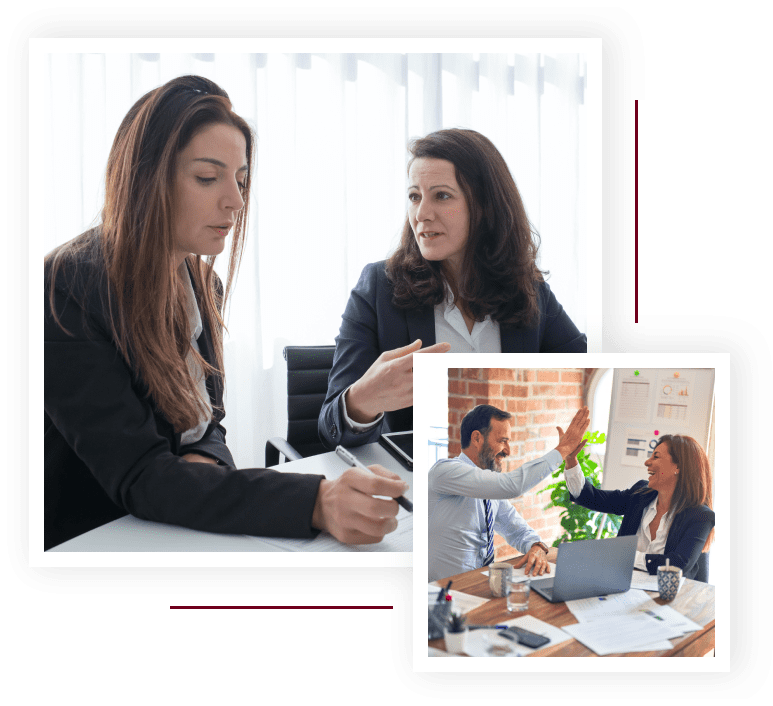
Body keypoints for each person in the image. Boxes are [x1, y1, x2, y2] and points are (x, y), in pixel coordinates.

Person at [43, 75, 407, 551]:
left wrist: (204, 463)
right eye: (207, 178)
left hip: (175, 528)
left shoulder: (200, 283)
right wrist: (315, 502)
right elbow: (140, 475)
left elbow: (206, 422)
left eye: (239, 180)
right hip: (96, 543)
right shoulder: (66, 285)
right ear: (145, 179)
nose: (235, 201)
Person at [319, 128, 586, 450]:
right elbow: (330, 426)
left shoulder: (527, 289)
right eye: (415, 196)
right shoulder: (378, 287)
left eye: (441, 196)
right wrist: (363, 399)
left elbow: (580, 373)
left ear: (484, 206)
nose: (421, 214)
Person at [428, 404, 590, 583]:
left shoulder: (489, 491)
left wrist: (536, 546)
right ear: (476, 438)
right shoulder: (444, 471)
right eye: (502, 440)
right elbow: (512, 486)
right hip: (439, 593)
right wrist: (563, 449)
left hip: (478, 587)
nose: (508, 451)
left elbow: (517, 530)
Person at [565, 434, 715, 581]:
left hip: (670, 597)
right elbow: (594, 498)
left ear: (678, 467)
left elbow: (677, 564)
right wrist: (571, 460)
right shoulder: (640, 494)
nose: (647, 462)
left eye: (656, 457)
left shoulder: (700, 516)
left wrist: (625, 555)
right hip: (623, 586)